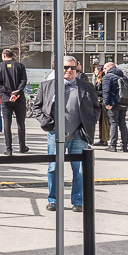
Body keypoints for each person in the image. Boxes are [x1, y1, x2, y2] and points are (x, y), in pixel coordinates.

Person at [32, 56, 99, 213]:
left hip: (78, 135)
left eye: (72, 68)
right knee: (53, 168)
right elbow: (37, 108)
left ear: (77, 69)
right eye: (65, 67)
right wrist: (46, 123)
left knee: (80, 169)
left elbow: (96, 108)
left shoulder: (86, 87)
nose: (69, 70)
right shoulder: (46, 86)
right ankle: (53, 200)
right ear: (57, 68)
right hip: (56, 135)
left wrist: (89, 123)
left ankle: (78, 200)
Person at [0, 48, 30, 156]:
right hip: (19, 98)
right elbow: (24, 81)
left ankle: (9, 149)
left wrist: (9, 93)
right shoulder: (20, 66)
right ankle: (22, 146)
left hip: (5, 99)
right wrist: (16, 92)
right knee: (20, 123)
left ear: (3, 55)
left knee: (7, 124)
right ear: (12, 55)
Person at [102, 61, 128, 152]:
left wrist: (106, 103)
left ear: (110, 68)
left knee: (113, 123)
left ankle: (113, 145)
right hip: (123, 103)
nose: (103, 70)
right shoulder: (123, 76)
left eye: (105, 68)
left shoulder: (107, 77)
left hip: (113, 104)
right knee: (123, 124)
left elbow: (106, 91)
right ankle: (124, 145)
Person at [91, 64, 110, 147]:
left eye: (96, 70)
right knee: (101, 122)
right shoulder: (98, 80)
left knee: (104, 122)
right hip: (99, 102)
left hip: (102, 102)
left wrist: (95, 93)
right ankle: (102, 139)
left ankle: (104, 139)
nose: (94, 72)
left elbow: (104, 91)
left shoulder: (103, 80)